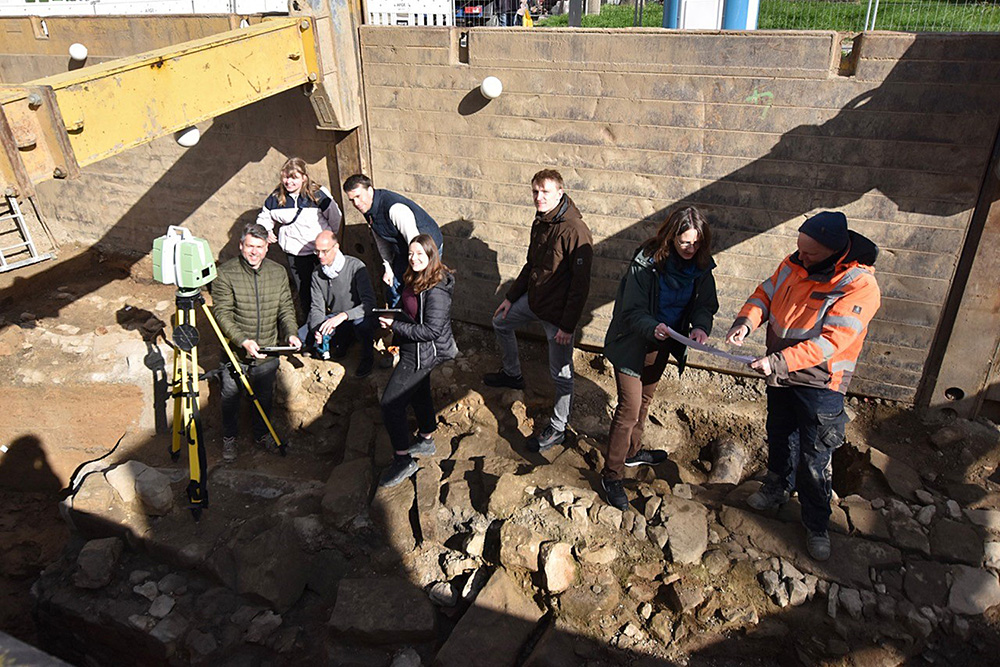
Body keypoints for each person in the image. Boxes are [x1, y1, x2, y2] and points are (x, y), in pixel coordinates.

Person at [726, 210, 880, 561]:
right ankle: (776, 488)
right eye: (799, 248)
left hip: (821, 383)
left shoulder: (858, 285)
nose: (801, 255)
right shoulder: (795, 263)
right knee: (779, 435)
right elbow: (765, 293)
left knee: (815, 457)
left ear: (833, 250)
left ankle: (816, 524)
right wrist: (746, 321)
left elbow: (831, 343)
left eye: (809, 252)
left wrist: (777, 362)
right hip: (781, 374)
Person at [600, 206, 719, 511]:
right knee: (629, 407)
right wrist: (653, 327)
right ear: (671, 238)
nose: (690, 249)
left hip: (665, 341)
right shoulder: (646, 263)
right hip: (633, 339)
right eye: (684, 243)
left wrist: (701, 327)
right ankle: (611, 475)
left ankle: (631, 451)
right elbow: (631, 309)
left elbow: (705, 303)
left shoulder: (701, 265)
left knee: (646, 400)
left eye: (696, 243)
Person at [483, 169, 593, 452]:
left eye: (545, 191)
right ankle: (512, 373)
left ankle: (558, 427)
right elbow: (531, 264)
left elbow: (580, 288)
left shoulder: (575, 231)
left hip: (557, 317)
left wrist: (567, 327)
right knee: (500, 322)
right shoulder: (542, 221)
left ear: (560, 192)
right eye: (535, 191)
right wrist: (511, 298)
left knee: (561, 373)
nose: (539, 197)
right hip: (533, 301)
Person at [212, 223, 302, 462]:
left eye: (259, 247)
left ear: (267, 248)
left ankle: (262, 435)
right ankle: (229, 438)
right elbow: (222, 313)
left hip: (267, 350)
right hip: (235, 352)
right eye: (250, 246)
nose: (254, 252)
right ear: (241, 246)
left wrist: (291, 332)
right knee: (230, 397)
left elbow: (285, 308)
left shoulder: (278, 272)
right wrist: (242, 341)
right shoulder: (225, 273)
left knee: (264, 397)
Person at [376, 235, 457, 488]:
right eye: (411, 253)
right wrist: (393, 312)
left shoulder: (438, 290)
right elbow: (407, 303)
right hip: (412, 348)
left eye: (420, 254)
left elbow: (431, 330)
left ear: (432, 255)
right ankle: (426, 437)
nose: (414, 258)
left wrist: (395, 325)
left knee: (390, 405)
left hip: (422, 354)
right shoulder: (414, 277)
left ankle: (403, 460)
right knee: (420, 393)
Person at [257, 157, 342, 316]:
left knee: (330, 285)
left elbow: (335, 216)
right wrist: (267, 231)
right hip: (296, 254)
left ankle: (335, 319)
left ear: (304, 178)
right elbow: (264, 217)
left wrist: (329, 238)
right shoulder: (276, 198)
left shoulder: (318, 194)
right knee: (305, 289)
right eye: (285, 177)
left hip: (319, 251)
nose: (289, 182)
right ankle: (312, 321)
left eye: (294, 177)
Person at [342, 174, 443, 307]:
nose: (356, 203)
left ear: (370, 190)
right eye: (351, 200)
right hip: (403, 249)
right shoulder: (368, 209)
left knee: (420, 290)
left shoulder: (395, 209)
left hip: (424, 249)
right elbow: (380, 238)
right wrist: (388, 267)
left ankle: (419, 323)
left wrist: (417, 271)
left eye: (358, 197)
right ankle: (396, 321)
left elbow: (415, 241)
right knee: (394, 288)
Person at [307, 230, 376, 378]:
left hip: (357, 314)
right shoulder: (317, 273)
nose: (320, 256)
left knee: (362, 325)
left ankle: (367, 358)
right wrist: (317, 329)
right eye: (317, 251)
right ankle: (340, 344)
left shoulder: (356, 267)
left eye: (324, 251)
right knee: (306, 334)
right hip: (336, 316)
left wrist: (345, 315)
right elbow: (317, 307)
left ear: (336, 247)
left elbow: (369, 303)